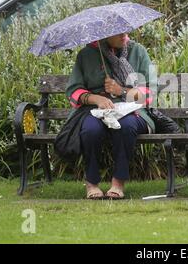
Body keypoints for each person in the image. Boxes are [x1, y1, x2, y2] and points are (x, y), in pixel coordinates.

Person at [66, 33, 156, 200]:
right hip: (94, 110)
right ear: (106, 34)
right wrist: (96, 98)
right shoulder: (86, 54)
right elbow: (74, 91)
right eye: (119, 33)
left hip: (132, 109)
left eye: (126, 32)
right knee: (90, 129)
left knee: (126, 126)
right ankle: (92, 183)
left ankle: (118, 182)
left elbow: (149, 93)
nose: (124, 36)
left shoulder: (138, 51)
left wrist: (121, 90)